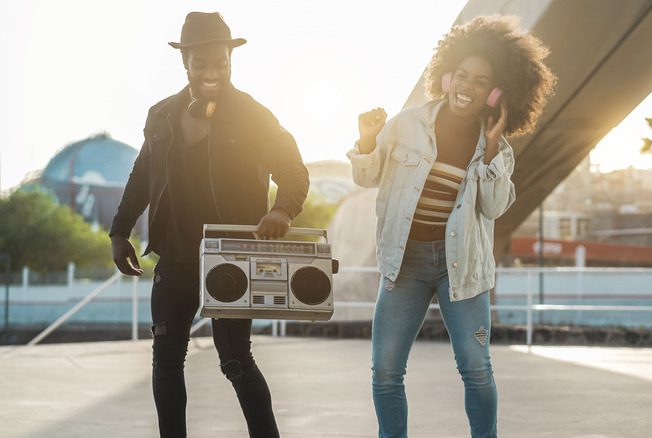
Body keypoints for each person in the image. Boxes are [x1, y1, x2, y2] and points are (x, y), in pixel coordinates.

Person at [348, 15, 555, 437]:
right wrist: (368, 140)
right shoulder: (406, 126)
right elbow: (366, 177)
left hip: (460, 267)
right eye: (462, 75)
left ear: (496, 92)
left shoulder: (497, 149)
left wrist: (494, 149)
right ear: (446, 77)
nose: (468, 86)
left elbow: (495, 207)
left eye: (481, 81)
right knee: (386, 370)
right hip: (404, 263)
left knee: (476, 367)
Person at [109, 12, 309, 438]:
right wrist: (119, 230)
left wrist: (283, 211)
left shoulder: (253, 115)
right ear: (186, 64)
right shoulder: (161, 115)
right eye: (200, 63)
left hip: (231, 255)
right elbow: (142, 176)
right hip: (176, 256)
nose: (211, 70)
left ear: (230, 60)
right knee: (166, 361)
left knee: (235, 358)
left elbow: (292, 169)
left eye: (219, 61)